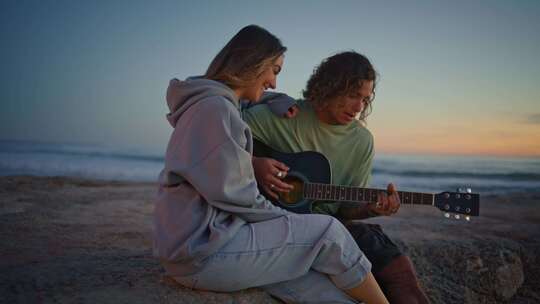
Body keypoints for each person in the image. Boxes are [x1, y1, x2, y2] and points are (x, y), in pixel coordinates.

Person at [153, 25, 390, 304]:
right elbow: (241, 198)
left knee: (321, 291)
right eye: (274, 70)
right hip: (204, 253)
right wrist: (298, 223)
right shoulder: (214, 109)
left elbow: (246, 105)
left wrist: (278, 101)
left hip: (205, 247)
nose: (274, 83)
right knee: (328, 232)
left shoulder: (215, 105)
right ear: (252, 63)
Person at [244, 51, 430, 304]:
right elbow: (218, 133)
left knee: (399, 272)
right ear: (328, 87)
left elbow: (346, 209)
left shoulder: (361, 141)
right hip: (273, 223)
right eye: (353, 95)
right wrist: (253, 163)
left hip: (332, 228)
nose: (359, 108)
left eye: (365, 99)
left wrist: (371, 208)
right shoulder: (286, 115)